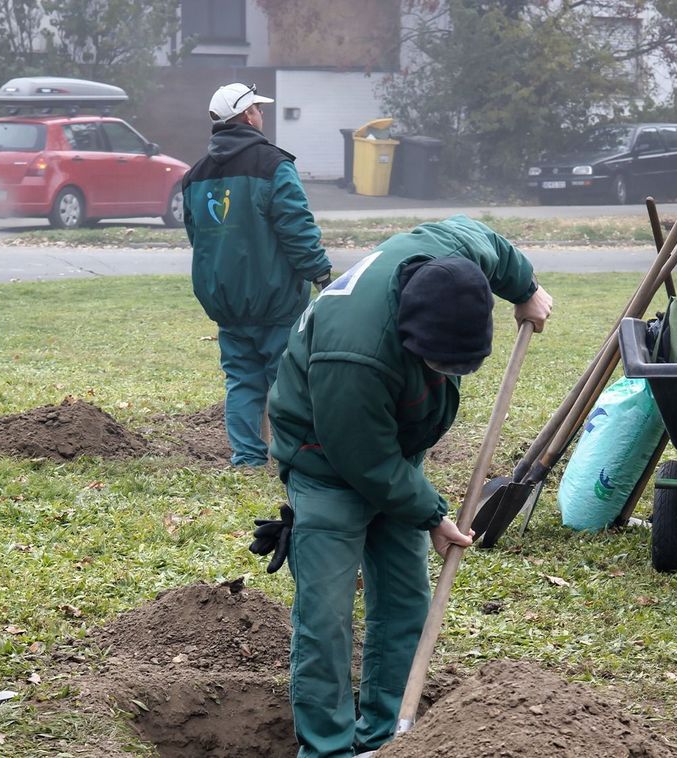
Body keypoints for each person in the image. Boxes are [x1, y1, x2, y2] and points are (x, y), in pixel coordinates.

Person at [266, 216, 554, 757]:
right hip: (325, 458)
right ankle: (328, 749)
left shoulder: (450, 253)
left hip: (390, 447)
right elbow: (363, 459)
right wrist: (431, 514)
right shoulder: (355, 354)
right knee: (326, 614)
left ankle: (387, 738)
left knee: (404, 596)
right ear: (407, 332)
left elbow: (489, 241)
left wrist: (526, 289)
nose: (447, 375)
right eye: (438, 364)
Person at [182, 82, 333, 467]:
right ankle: (294, 458)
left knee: (242, 380)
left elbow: (197, 236)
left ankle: (247, 459)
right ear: (248, 116)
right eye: (258, 110)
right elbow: (296, 226)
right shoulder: (274, 165)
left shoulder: (195, 176)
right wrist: (320, 273)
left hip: (225, 300)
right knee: (287, 381)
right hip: (276, 299)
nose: (261, 115)